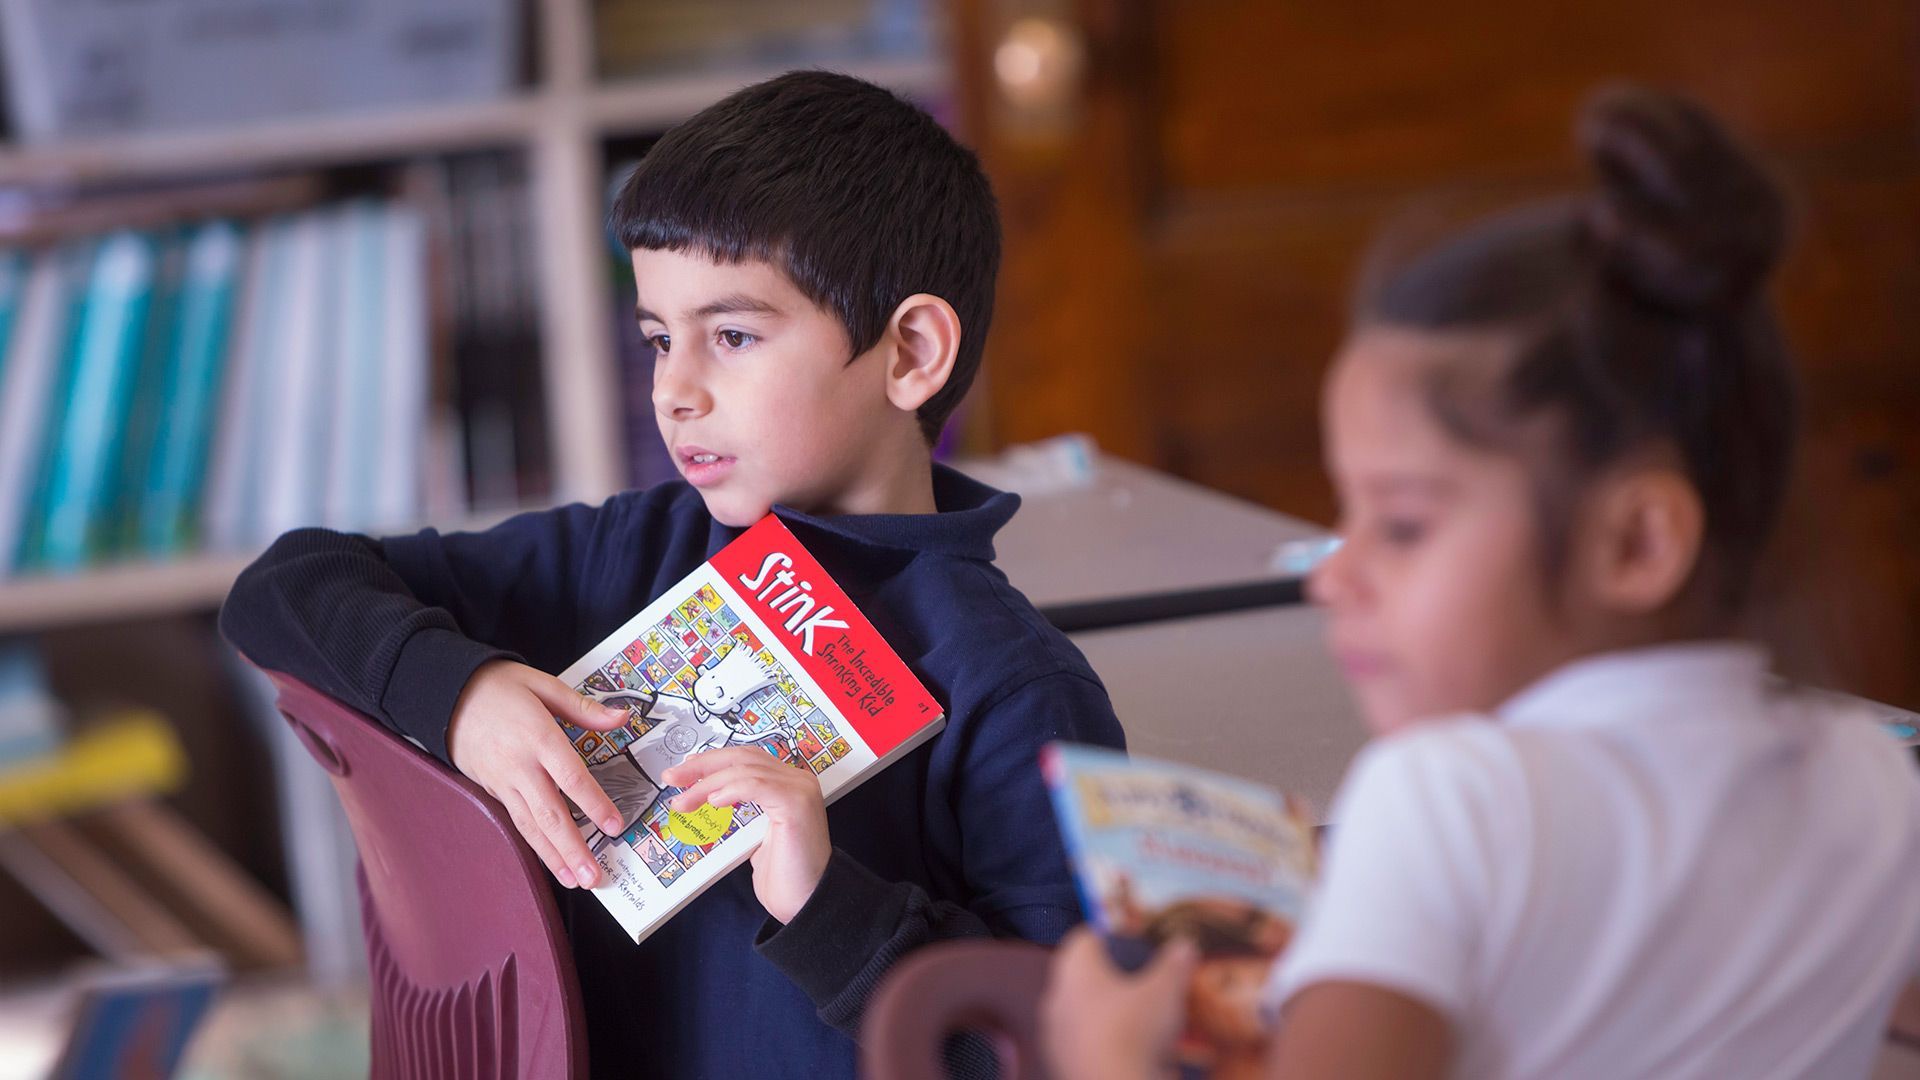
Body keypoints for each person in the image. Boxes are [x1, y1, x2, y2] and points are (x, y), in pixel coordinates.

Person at [221, 70, 1125, 1079]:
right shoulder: (634, 550)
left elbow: (1069, 1051)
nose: (672, 391)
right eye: (658, 338)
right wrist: (460, 696)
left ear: (910, 352)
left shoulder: (1011, 689)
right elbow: (286, 586)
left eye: (731, 337)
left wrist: (827, 906)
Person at [1041, 85, 1920, 1079]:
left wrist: (1105, 1057)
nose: (1336, 576)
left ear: (1636, 543)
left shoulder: (1446, 801)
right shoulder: (1871, 779)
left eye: (1404, 524)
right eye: (1348, 513)